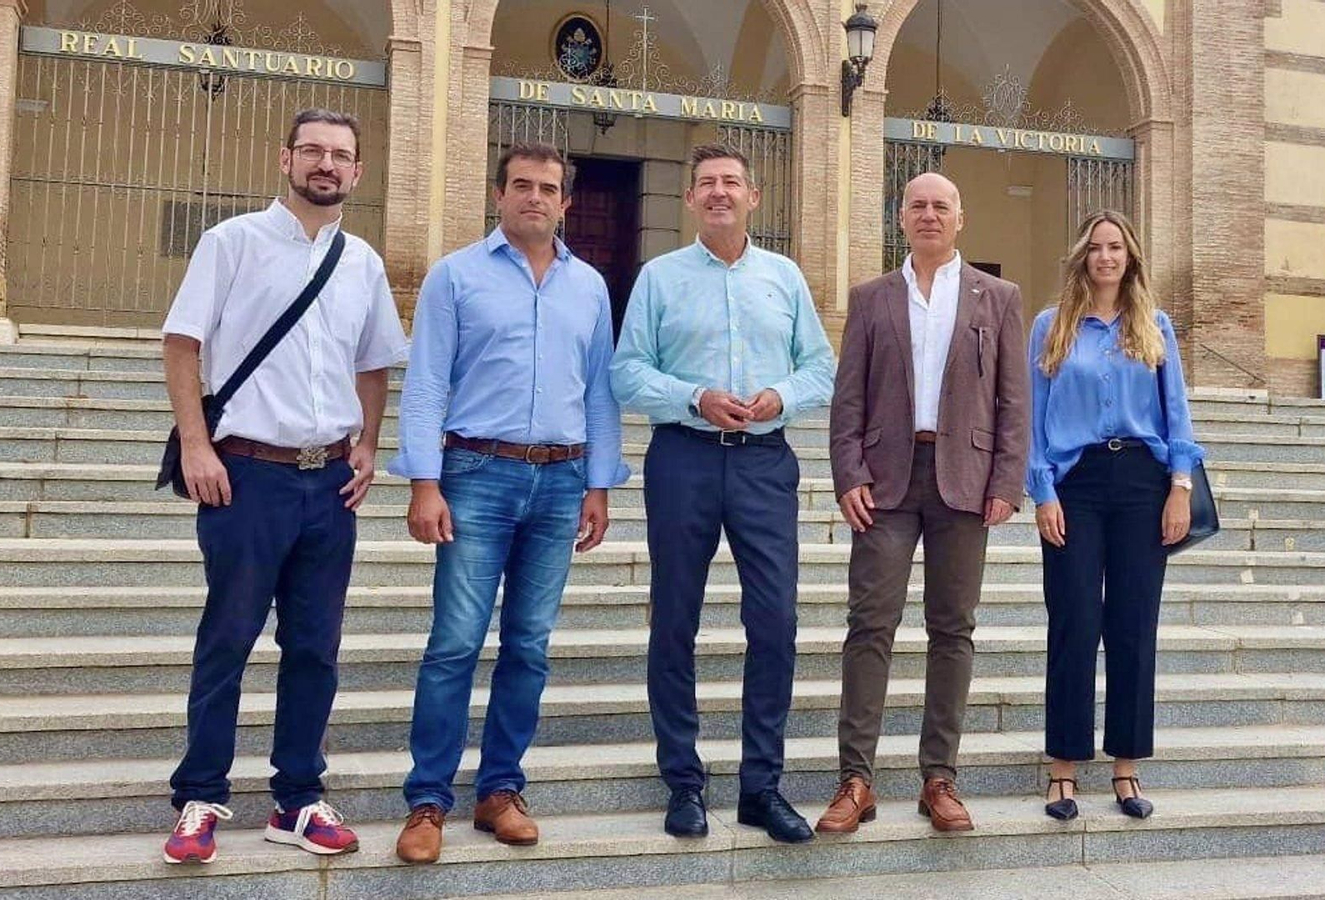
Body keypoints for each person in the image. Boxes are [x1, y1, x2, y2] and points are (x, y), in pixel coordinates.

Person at [160, 108, 409, 864]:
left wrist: (368, 442)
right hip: (245, 477)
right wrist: (198, 447)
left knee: (315, 647)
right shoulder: (230, 242)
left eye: (340, 155)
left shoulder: (362, 262)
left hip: (328, 482)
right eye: (313, 151)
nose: (326, 165)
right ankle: (200, 796)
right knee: (228, 639)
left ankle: (298, 799)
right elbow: (182, 344)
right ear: (286, 159)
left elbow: (372, 363)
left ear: (358, 171)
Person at [391, 142, 629, 865]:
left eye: (548, 188)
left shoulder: (588, 286)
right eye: (521, 185)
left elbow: (599, 391)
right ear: (498, 196)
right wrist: (424, 481)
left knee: (528, 645)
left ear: (564, 202)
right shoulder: (454, 277)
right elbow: (428, 381)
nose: (535, 197)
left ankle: (500, 792)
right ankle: (428, 801)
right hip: (475, 475)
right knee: (455, 643)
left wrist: (599, 484)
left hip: (559, 483)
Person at [611, 144, 836, 845]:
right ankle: (683, 782)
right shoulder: (659, 278)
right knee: (674, 620)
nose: (718, 193)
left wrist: (780, 395)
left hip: (765, 463)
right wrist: (694, 396)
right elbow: (626, 373)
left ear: (753, 197)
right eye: (705, 182)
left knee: (775, 623)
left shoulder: (785, 276)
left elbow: (821, 367)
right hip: (682, 459)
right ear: (690, 199)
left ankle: (761, 787)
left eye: (730, 183)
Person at [821, 173, 1028, 834]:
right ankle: (855, 780)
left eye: (942, 205)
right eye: (918, 205)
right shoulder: (872, 298)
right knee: (870, 623)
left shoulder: (997, 298)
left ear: (960, 217)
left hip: (964, 480)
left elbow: (1013, 400)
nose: (930, 214)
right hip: (885, 480)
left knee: (953, 628)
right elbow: (847, 398)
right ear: (901, 217)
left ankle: (940, 778)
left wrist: (1006, 481)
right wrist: (848, 471)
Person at [1028, 210, 1203, 821]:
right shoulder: (1052, 326)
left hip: (1141, 483)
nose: (1106, 257)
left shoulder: (1155, 327)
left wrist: (1179, 487)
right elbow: (1034, 416)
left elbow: (1175, 409)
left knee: (1133, 624)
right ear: (1082, 256)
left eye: (1116, 247)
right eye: (1097, 247)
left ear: (1130, 258)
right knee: (1073, 619)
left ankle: (1126, 765)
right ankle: (1063, 768)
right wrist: (1041, 490)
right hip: (1074, 484)